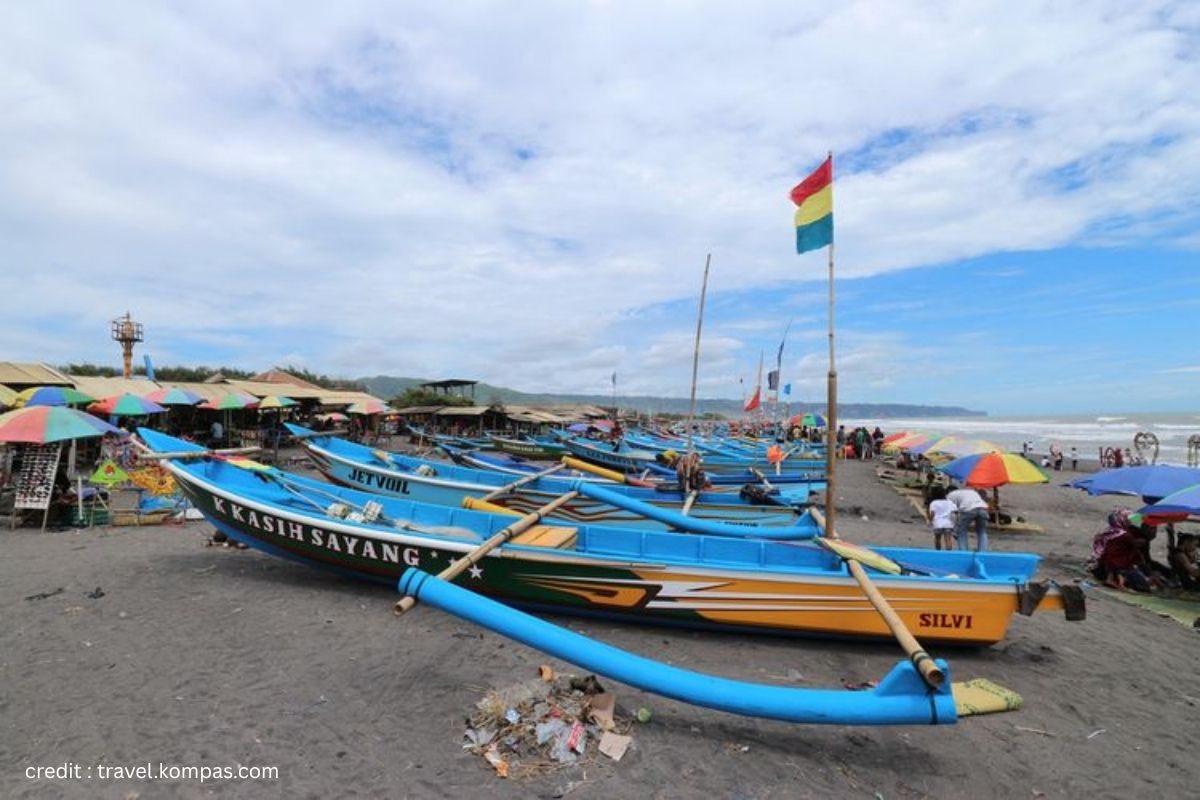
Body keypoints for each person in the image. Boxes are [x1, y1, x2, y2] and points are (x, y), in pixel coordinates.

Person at [947, 484, 990, 551]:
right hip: (983, 508)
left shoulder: (950, 495)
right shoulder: (970, 492)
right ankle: (983, 552)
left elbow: (952, 512)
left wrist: (954, 529)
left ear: (948, 491)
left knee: (962, 532)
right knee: (982, 531)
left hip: (969, 509)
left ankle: (964, 552)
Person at [928, 486, 956, 551]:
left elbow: (932, 513)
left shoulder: (934, 503)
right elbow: (954, 512)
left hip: (937, 524)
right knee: (948, 539)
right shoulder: (950, 502)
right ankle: (949, 553)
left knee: (937, 538)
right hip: (948, 524)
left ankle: (938, 551)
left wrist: (930, 521)